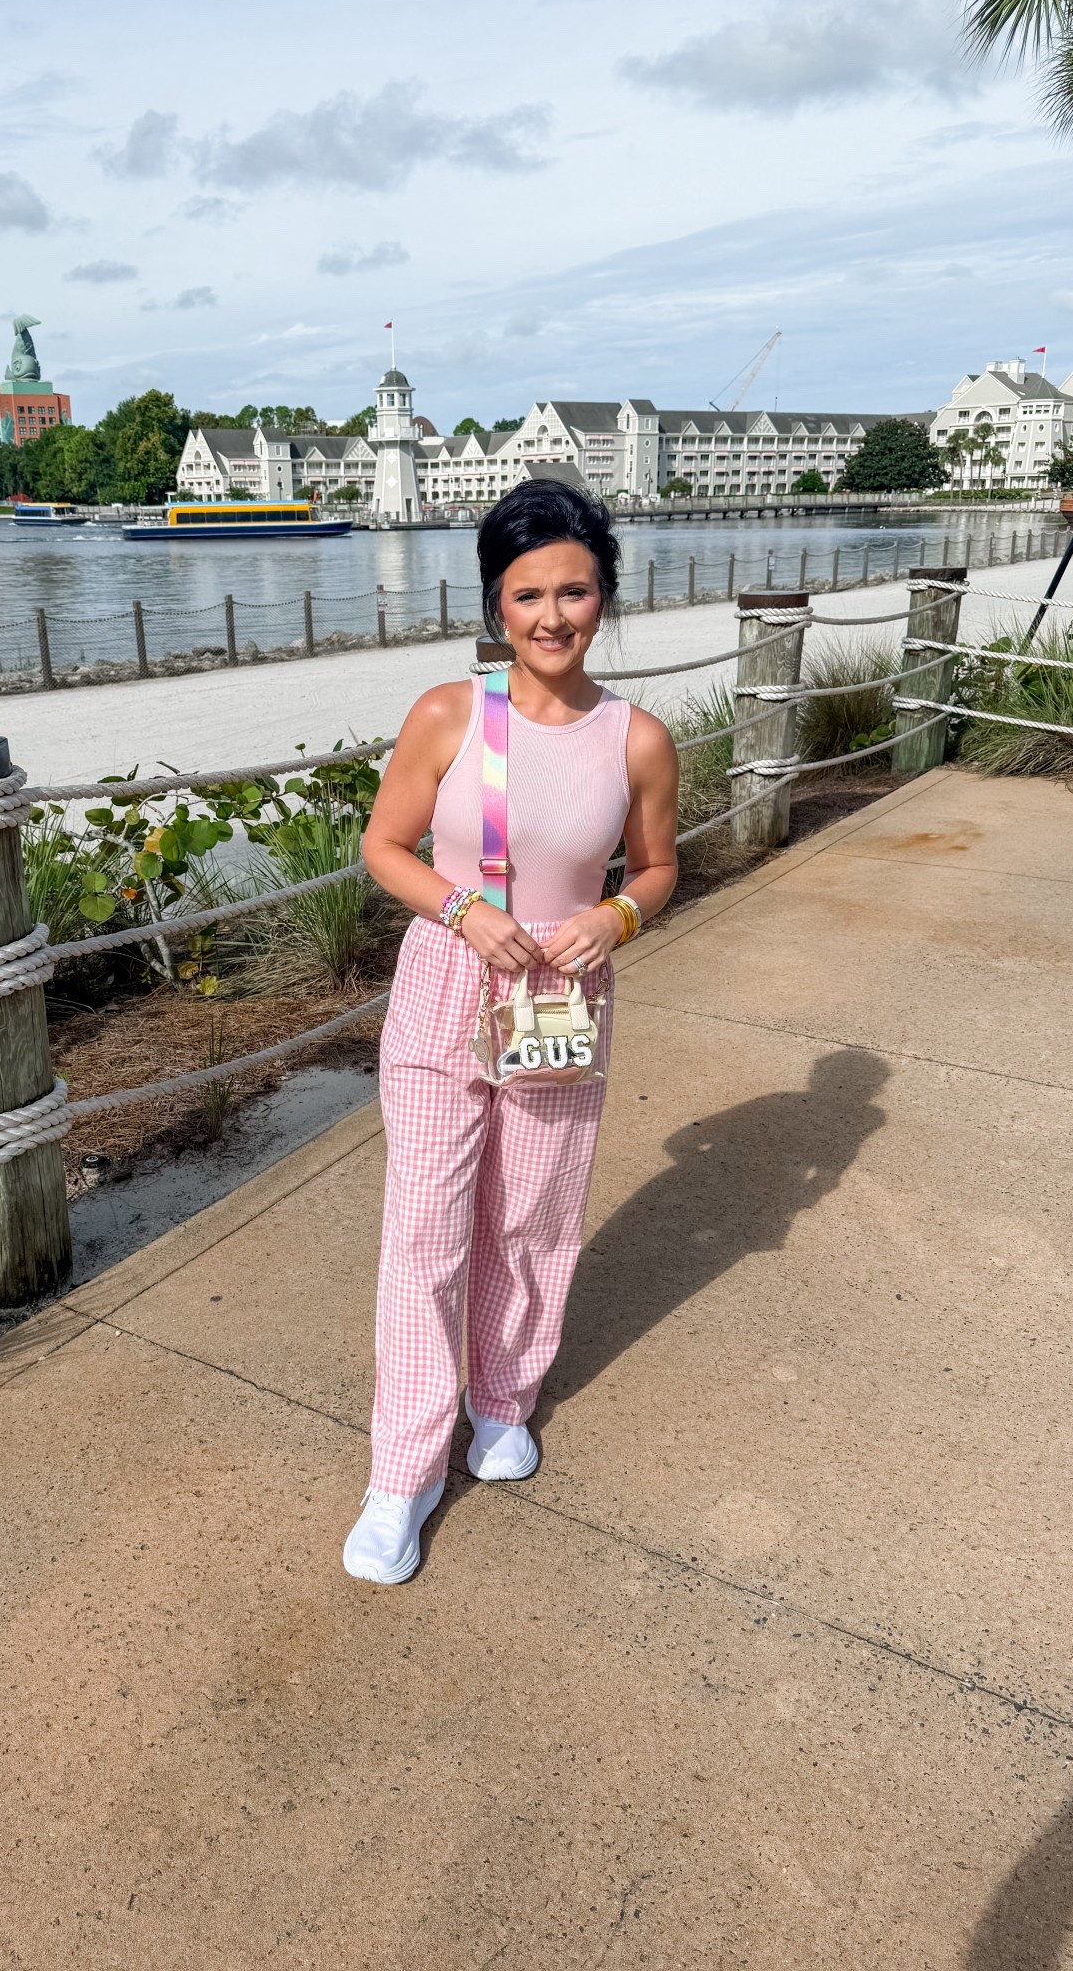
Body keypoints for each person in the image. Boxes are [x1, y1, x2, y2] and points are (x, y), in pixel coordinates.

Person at [344, 479, 681, 1583]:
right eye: (527, 592)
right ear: (496, 600)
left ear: (604, 595)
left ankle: (502, 1401)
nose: (551, 615)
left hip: (559, 995)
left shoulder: (636, 738)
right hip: (451, 978)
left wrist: (614, 914)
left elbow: (660, 865)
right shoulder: (450, 713)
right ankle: (402, 1467)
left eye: (574, 590)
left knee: (535, 1214)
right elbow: (384, 845)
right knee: (427, 1228)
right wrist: (464, 909)